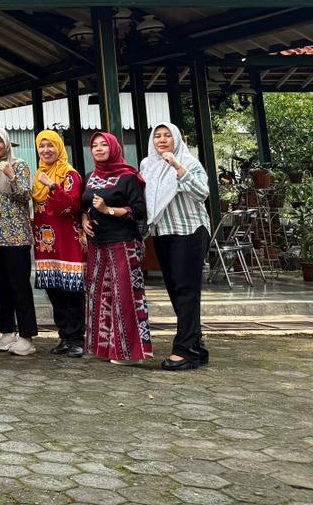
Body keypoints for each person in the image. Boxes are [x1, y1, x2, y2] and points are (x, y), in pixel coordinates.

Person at [141, 122, 211, 372]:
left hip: (189, 231)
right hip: (163, 233)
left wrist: (177, 167)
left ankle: (185, 351)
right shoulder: (147, 166)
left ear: (177, 140)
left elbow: (202, 192)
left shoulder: (188, 162)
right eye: (157, 136)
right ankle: (196, 345)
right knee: (176, 291)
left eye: (167, 136)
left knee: (186, 291)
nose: (161, 140)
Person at [82, 132, 152, 366]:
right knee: (99, 295)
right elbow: (84, 204)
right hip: (97, 245)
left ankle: (130, 353)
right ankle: (104, 348)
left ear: (114, 148)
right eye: (95, 145)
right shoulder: (91, 176)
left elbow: (138, 211)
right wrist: (84, 219)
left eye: (104, 145)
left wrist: (108, 210)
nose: (99, 149)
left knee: (126, 296)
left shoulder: (128, 176)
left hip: (124, 243)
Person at [0, 128, 37, 356]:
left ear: (6, 143)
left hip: (16, 238)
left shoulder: (19, 164)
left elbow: (26, 195)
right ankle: (7, 332)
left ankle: (26, 336)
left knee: (19, 287)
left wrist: (11, 175)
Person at [32, 130, 86, 358]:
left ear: (59, 148)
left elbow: (72, 205)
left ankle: (77, 339)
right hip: (46, 245)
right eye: (41, 146)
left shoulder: (69, 174)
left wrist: (53, 186)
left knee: (72, 292)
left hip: (68, 243)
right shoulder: (38, 175)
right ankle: (64, 336)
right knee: (54, 293)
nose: (45, 150)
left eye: (50, 145)